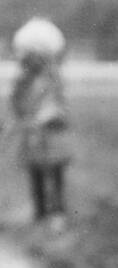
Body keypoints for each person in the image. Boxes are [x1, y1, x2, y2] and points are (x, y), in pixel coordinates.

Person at [10, 18, 71, 231]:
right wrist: (24, 120)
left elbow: (59, 105)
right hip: (33, 134)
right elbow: (17, 105)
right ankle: (40, 211)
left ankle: (58, 212)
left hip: (52, 133)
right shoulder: (22, 81)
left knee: (55, 172)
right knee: (35, 172)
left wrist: (48, 115)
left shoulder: (54, 78)